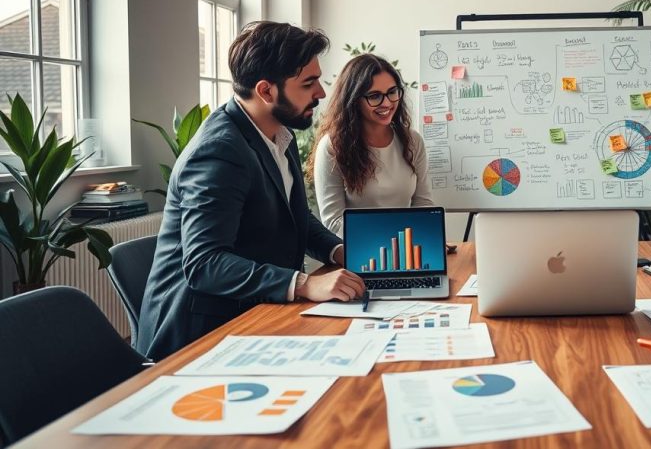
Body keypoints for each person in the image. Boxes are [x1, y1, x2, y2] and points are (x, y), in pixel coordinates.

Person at [137, 21, 366, 361]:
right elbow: (205, 263)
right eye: (309, 83)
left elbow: (293, 215)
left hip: (255, 311)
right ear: (266, 91)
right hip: (201, 337)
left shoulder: (278, 132)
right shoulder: (219, 151)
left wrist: (338, 251)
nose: (321, 92)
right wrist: (305, 284)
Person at [309, 53, 433, 236]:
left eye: (392, 92)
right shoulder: (332, 147)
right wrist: (397, 239)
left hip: (406, 249)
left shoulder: (413, 141)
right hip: (358, 254)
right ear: (353, 100)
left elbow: (424, 206)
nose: (387, 103)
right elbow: (334, 222)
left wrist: (429, 239)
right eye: (375, 96)